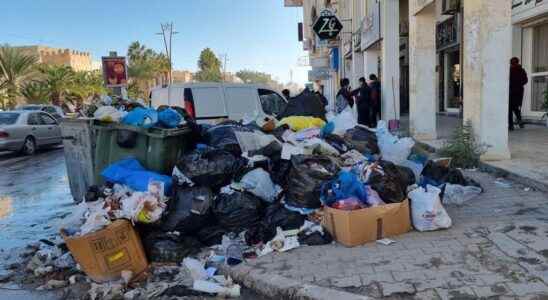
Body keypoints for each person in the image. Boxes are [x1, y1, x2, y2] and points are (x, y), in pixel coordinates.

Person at [509, 57, 528, 131]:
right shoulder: (522, 70)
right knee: (515, 107)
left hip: (512, 91)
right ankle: (519, 122)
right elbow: (525, 80)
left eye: (513, 63)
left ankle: (511, 125)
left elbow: (525, 80)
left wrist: (516, 85)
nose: (512, 64)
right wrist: (519, 84)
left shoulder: (510, 70)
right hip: (518, 91)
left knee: (511, 108)